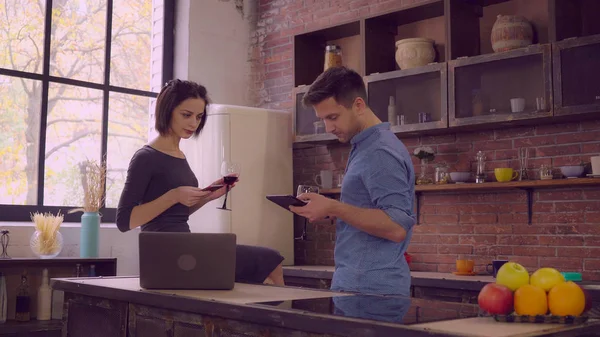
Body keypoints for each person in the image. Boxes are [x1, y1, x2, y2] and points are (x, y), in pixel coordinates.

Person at [116, 79, 285, 286]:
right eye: (186, 115)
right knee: (271, 261)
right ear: (167, 111)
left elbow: (174, 214)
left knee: (268, 271)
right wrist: (174, 195)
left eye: (198, 117)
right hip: (166, 251)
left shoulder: (178, 154)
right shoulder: (145, 157)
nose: (193, 123)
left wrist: (208, 196)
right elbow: (124, 221)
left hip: (185, 246)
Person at [289, 66, 416, 297]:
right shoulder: (364, 145)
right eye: (323, 119)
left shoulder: (380, 152)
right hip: (359, 286)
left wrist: (334, 207)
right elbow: (369, 211)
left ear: (358, 105)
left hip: (372, 293)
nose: (328, 127)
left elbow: (397, 227)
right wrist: (331, 212)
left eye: (333, 117)